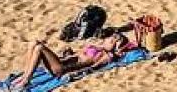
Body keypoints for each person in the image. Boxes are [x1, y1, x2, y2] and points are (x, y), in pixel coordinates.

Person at [7, 29, 138, 89]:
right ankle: (25, 75)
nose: (110, 39)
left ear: (114, 47)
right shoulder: (97, 47)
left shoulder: (106, 55)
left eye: (113, 41)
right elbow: (79, 54)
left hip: (61, 69)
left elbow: (93, 67)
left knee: (39, 48)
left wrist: (76, 73)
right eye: (111, 38)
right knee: (33, 43)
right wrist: (69, 53)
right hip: (61, 61)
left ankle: (26, 81)